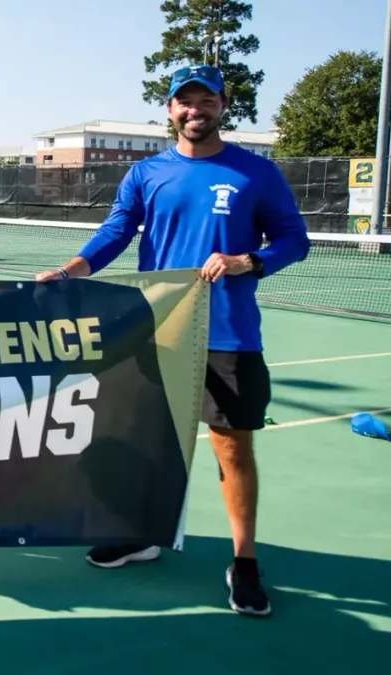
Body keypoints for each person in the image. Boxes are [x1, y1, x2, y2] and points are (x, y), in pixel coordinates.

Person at [34, 64, 311, 618]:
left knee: (232, 447)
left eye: (205, 101)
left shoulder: (256, 172)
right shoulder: (145, 173)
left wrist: (247, 260)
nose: (194, 111)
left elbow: (294, 240)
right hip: (156, 326)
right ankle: (143, 535)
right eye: (185, 102)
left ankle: (245, 561)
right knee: (145, 439)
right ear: (170, 110)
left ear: (222, 106)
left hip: (230, 333)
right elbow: (116, 232)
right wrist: (69, 272)